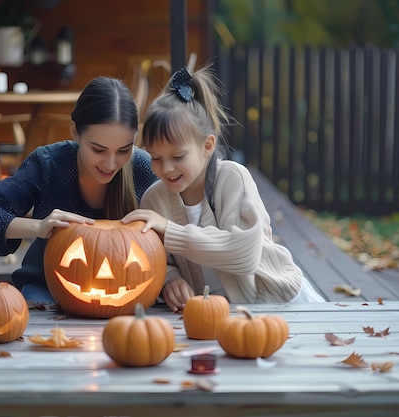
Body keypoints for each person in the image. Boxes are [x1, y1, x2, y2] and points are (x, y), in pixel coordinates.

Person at [122, 65, 325, 312]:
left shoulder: (232, 179)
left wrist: (170, 231)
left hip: (278, 303)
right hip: (216, 313)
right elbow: (158, 258)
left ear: (207, 146)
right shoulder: (155, 200)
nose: (166, 169)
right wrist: (170, 279)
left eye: (178, 157)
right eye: (155, 157)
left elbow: (245, 253)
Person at [0, 76, 157, 305]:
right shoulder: (49, 164)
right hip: (47, 289)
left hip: (128, 292)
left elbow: (181, 228)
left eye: (124, 150)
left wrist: (173, 278)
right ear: (75, 131)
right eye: (98, 150)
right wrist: (39, 226)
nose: (111, 163)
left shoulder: (145, 167)